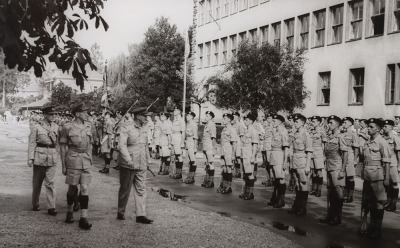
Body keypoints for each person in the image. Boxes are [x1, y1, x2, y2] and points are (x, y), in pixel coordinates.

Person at [116, 107, 153, 224]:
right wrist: (128, 160)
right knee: (125, 189)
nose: (147, 118)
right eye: (145, 116)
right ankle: (121, 211)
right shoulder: (126, 127)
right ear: (138, 116)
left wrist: (148, 160)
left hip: (141, 163)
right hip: (129, 164)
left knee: (141, 189)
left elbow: (145, 145)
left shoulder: (144, 128)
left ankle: (141, 215)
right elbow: (121, 146)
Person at [59, 103, 93, 229]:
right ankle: (69, 212)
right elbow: (63, 148)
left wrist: (90, 160)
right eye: (84, 112)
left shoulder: (89, 126)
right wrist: (63, 165)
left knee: (84, 187)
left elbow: (91, 144)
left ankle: (83, 218)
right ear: (78, 114)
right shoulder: (67, 127)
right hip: (73, 159)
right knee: (72, 188)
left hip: (85, 159)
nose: (87, 114)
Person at [359, 118, 390, 238]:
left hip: (377, 176)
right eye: (368, 126)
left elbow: (386, 161)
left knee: (378, 203)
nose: (368, 128)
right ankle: (370, 227)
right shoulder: (368, 141)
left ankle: (377, 229)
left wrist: (387, 178)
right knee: (369, 203)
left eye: (371, 127)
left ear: (378, 129)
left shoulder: (382, 142)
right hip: (367, 175)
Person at [28, 105, 59, 216]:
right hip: (39, 158)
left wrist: (59, 156)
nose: (53, 116)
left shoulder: (56, 127)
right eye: (51, 114)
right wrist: (30, 158)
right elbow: (32, 143)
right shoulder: (36, 127)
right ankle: (35, 203)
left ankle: (51, 207)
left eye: (54, 114)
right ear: (45, 115)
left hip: (52, 157)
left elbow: (58, 144)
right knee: (37, 183)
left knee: (51, 183)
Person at [319, 115, 348, 226]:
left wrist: (343, 170)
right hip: (329, 166)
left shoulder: (340, 137)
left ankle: (337, 217)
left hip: (337, 166)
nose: (329, 125)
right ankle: (330, 215)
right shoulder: (330, 136)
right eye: (329, 123)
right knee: (331, 192)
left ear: (337, 124)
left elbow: (345, 154)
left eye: (331, 123)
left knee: (338, 191)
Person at [288, 114, 313, 216]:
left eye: (297, 121)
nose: (295, 123)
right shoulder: (295, 134)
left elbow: (309, 151)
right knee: (297, 184)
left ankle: (302, 208)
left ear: (302, 123)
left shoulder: (306, 135)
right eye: (294, 121)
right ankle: (296, 206)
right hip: (295, 160)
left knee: (303, 184)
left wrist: (307, 166)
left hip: (302, 161)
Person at [268, 114, 289, 208]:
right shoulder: (276, 131)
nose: (273, 122)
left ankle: (281, 200)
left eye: (274, 121)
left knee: (281, 179)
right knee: (276, 179)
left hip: (280, 156)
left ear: (280, 122)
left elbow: (286, 148)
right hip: (274, 155)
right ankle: (275, 198)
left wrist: (285, 162)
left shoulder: (283, 132)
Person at [239, 112, 259, 200]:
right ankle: (245, 192)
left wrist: (253, 157)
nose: (245, 121)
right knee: (245, 174)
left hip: (249, 154)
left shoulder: (254, 131)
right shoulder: (246, 130)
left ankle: (250, 193)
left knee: (250, 174)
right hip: (244, 154)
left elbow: (255, 145)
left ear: (251, 121)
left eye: (246, 120)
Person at [382, 119, 400, 212]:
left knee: (394, 184)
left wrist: (399, 166)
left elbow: (398, 153)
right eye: (383, 126)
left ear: (391, 127)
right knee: (387, 184)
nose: (384, 128)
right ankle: (388, 202)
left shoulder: (395, 138)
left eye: (386, 126)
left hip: (393, 164)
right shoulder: (383, 138)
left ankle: (393, 204)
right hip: (385, 165)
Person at [217, 113, 237, 194]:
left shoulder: (232, 129)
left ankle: (229, 187)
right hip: (223, 150)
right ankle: (224, 185)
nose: (223, 120)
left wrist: (233, 154)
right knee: (224, 168)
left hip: (228, 150)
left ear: (229, 119)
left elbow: (234, 143)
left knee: (229, 169)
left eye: (224, 118)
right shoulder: (224, 129)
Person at [341, 117, 360, 203]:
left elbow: (356, 148)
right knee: (344, 177)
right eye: (343, 122)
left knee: (350, 177)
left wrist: (355, 159)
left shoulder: (353, 134)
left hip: (350, 156)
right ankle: (344, 194)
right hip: (342, 156)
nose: (343, 124)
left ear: (350, 124)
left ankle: (350, 196)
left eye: (345, 122)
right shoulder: (342, 133)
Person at [309, 116, 327, 197]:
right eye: (312, 121)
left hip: (319, 152)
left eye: (314, 121)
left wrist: (324, 155)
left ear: (319, 122)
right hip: (312, 152)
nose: (312, 123)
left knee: (319, 172)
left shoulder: (322, 131)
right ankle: (314, 189)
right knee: (313, 172)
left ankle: (319, 190)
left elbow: (325, 144)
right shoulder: (311, 131)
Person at [201, 111, 217, 188]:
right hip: (205, 146)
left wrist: (214, 148)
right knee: (207, 163)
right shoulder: (207, 125)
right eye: (205, 115)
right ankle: (207, 180)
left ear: (211, 117)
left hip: (210, 146)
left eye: (207, 116)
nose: (205, 117)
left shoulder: (212, 125)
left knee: (210, 163)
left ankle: (211, 181)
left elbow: (213, 138)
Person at [183, 111, 199, 184]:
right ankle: (189, 176)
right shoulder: (188, 124)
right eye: (187, 116)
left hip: (192, 142)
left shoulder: (194, 125)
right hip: (188, 142)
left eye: (188, 116)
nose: (187, 117)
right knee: (189, 160)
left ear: (192, 117)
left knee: (193, 160)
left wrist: (195, 147)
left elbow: (195, 137)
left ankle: (192, 177)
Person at [171, 107, 186, 179]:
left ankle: (179, 173)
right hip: (174, 137)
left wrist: (182, 142)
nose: (174, 111)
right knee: (176, 156)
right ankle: (176, 172)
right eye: (174, 110)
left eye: (176, 110)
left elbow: (183, 132)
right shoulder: (175, 120)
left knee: (179, 155)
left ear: (179, 112)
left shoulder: (181, 120)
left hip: (178, 137)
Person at [261, 113, 274, 187]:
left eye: (269, 118)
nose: (267, 119)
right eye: (267, 118)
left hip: (270, 148)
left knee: (270, 164)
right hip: (266, 147)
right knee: (267, 165)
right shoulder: (267, 127)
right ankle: (268, 179)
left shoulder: (273, 127)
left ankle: (272, 179)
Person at [232, 112, 245, 178]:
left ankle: (238, 172)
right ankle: (235, 171)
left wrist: (242, 145)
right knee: (233, 157)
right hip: (233, 142)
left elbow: (242, 135)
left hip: (238, 142)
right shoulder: (232, 124)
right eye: (233, 116)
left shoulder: (240, 125)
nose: (233, 117)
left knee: (238, 158)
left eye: (235, 116)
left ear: (238, 117)